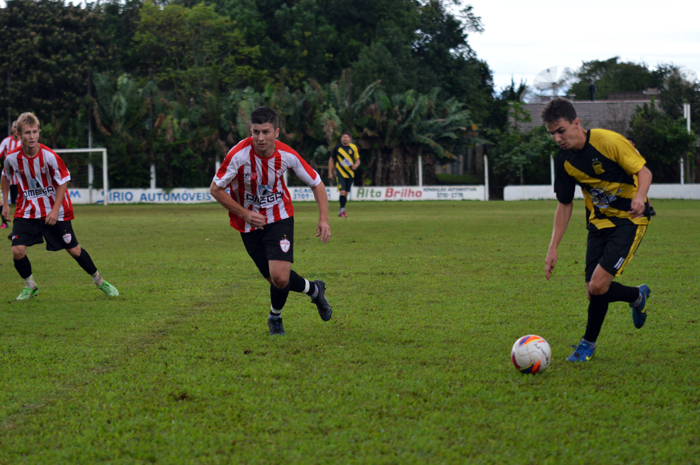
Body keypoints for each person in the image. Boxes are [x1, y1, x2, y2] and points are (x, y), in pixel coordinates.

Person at [542, 98, 652, 363]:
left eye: (561, 130)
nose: (557, 138)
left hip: (630, 220)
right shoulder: (565, 161)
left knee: (598, 285)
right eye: (552, 133)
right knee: (594, 291)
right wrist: (553, 246)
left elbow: (644, 172)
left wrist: (640, 197)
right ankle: (636, 295)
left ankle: (587, 345)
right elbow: (565, 204)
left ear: (576, 123)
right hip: (598, 224)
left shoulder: (608, 141)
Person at [210, 106, 332, 336]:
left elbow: (316, 183)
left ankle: (274, 318)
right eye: (256, 132)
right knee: (276, 281)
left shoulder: (287, 155)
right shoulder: (239, 155)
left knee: (280, 276)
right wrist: (245, 214)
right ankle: (315, 289)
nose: (260, 138)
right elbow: (215, 189)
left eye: (266, 132)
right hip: (247, 223)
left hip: (279, 216)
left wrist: (323, 219)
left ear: (277, 132)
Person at [1, 112, 119, 300]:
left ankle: (100, 281)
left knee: (74, 250)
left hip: (56, 209)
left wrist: (55, 210)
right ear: (19, 135)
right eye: (26, 133)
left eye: (34, 132)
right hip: (27, 209)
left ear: (39, 133)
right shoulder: (12, 158)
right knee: (17, 250)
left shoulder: (49, 156)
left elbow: (63, 181)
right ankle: (30, 286)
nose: (31, 136)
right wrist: (6, 203)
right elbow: (6, 176)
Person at [328, 132, 360, 218]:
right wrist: (330, 172)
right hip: (340, 173)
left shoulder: (353, 147)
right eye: (344, 137)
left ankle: (341, 209)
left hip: (350, 173)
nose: (345, 138)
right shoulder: (337, 148)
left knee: (346, 193)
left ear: (349, 139)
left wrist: (356, 165)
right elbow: (331, 160)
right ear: (341, 139)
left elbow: (357, 160)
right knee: (342, 191)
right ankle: (342, 210)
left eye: (347, 137)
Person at [0, 120, 22, 231]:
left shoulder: (25, 141)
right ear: (12, 129)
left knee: (21, 201)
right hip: (8, 175)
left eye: (18, 127)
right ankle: (5, 222)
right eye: (14, 127)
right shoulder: (6, 141)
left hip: (22, 176)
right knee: (3, 201)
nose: (16, 129)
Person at [626, 136, 656, 216]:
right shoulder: (626, 151)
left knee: (640, 192)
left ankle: (648, 209)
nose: (628, 145)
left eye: (629, 143)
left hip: (637, 175)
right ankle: (650, 209)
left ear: (633, 144)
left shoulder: (635, 152)